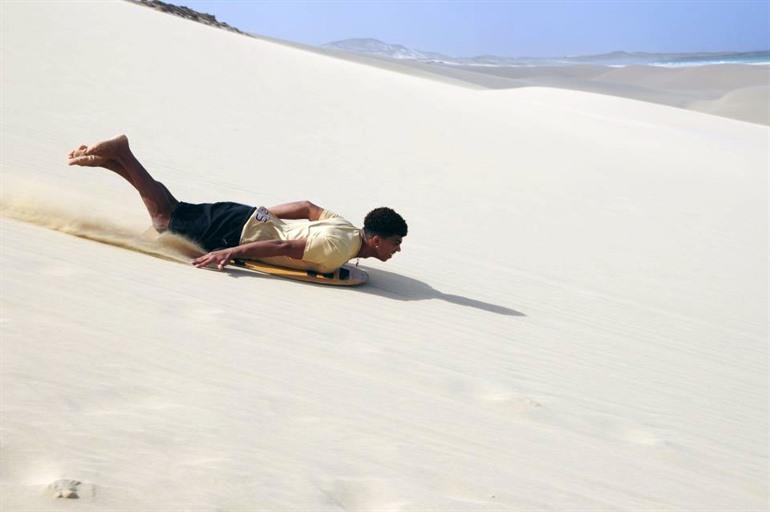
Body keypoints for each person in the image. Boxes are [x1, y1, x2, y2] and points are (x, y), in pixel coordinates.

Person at [67, 135, 407, 272]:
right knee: (164, 221)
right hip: (239, 232)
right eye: (395, 243)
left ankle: (110, 160)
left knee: (173, 208)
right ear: (376, 240)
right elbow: (286, 245)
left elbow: (305, 206)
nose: (397, 250)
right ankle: (122, 153)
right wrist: (229, 252)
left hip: (245, 216)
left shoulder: (346, 227)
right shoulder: (338, 248)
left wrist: (262, 216)